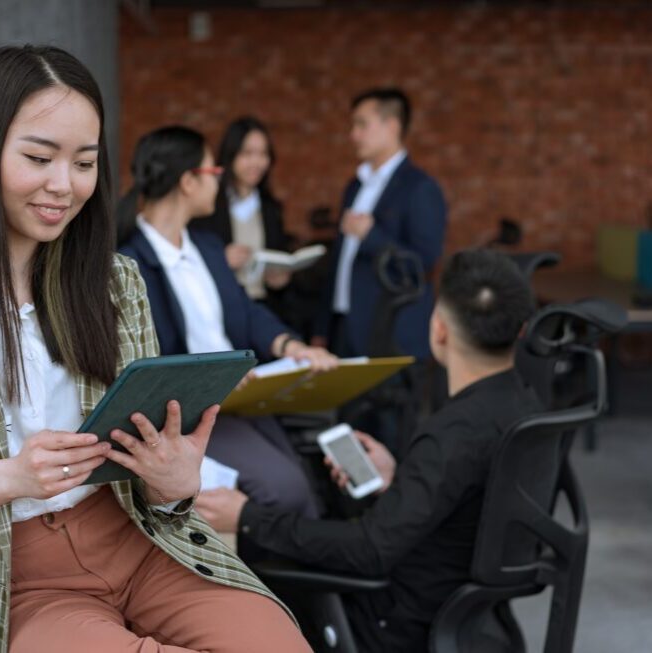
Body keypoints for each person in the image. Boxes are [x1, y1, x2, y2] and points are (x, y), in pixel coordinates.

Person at [0, 45, 311, 653]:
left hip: (139, 542)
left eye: (85, 163)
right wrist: (10, 476)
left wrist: (172, 481)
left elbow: (153, 463)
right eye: (39, 157)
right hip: (15, 576)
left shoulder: (116, 281)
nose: (63, 186)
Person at [196, 248, 541, 652]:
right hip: (474, 615)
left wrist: (248, 516)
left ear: (439, 330)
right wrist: (401, 480)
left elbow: (369, 551)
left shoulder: (451, 433)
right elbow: (476, 502)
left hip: (398, 623)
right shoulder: (526, 406)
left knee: (255, 588)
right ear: (520, 330)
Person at [116, 126, 338, 551]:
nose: (219, 180)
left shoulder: (208, 246)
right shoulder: (129, 263)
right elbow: (144, 356)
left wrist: (292, 347)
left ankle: (303, 593)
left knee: (308, 483)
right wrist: (213, 379)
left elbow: (246, 313)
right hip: (193, 412)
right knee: (285, 490)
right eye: (213, 170)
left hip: (243, 400)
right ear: (188, 180)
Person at [313, 87, 447, 360]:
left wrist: (371, 236)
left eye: (362, 124)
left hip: (391, 334)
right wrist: (322, 327)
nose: (353, 135)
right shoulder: (355, 186)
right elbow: (341, 261)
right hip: (344, 327)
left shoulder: (420, 188)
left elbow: (422, 265)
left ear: (392, 126)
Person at [191, 116, 292, 309]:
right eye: (247, 153)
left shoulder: (271, 208)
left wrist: (280, 278)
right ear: (231, 155)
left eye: (263, 154)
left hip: (262, 307)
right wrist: (220, 260)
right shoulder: (208, 206)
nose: (257, 162)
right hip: (220, 306)